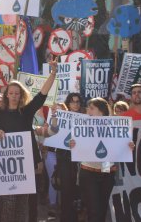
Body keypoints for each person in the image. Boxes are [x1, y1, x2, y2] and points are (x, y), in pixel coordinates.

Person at [0, 59, 58, 222]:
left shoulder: (26, 112)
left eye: (17, 93)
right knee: (8, 204)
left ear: (21, 95)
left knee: (22, 206)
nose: (14, 96)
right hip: (6, 168)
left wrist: (53, 73)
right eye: (11, 93)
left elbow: (41, 95)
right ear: (7, 95)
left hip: (27, 163)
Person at [70, 98, 134, 222]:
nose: (88, 110)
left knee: (102, 210)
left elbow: (120, 148)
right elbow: (77, 145)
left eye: (92, 108)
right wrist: (72, 144)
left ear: (102, 112)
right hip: (88, 173)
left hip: (106, 172)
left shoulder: (115, 125)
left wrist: (128, 146)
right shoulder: (82, 125)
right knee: (94, 210)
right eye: (88, 107)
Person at [56, 93, 83, 222]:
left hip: (80, 161)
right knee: (66, 191)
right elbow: (52, 132)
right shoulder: (61, 118)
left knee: (78, 192)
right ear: (68, 103)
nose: (76, 104)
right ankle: (66, 218)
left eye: (78, 102)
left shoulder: (86, 118)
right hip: (65, 159)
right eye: (73, 102)